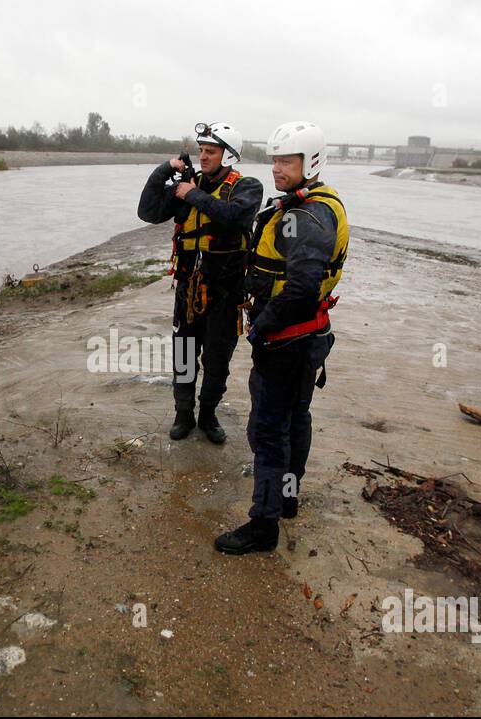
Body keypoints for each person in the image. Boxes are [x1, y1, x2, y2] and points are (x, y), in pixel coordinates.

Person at [216, 121, 347, 555]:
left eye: (287, 161)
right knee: (296, 418)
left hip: (288, 342)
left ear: (310, 162)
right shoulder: (308, 206)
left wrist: (261, 326)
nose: (277, 169)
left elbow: (302, 287)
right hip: (307, 338)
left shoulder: (306, 216)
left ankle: (263, 526)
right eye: (274, 160)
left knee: (270, 431)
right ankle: (287, 498)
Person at [137, 122, 263, 443]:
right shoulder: (186, 186)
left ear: (228, 156)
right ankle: (183, 414)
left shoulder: (247, 187)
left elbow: (235, 216)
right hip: (188, 289)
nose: (203, 157)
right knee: (184, 353)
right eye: (201, 151)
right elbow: (147, 212)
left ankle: (208, 414)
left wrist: (192, 193)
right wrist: (164, 171)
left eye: (211, 151)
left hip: (227, 292)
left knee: (217, 361)